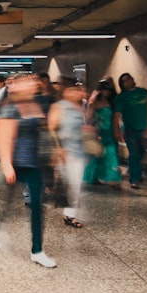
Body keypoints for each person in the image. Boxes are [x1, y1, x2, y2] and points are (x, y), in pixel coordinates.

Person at [0, 75, 57, 268]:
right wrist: (6, 163)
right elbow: (3, 137)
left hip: (34, 164)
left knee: (37, 207)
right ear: (16, 87)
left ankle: (37, 250)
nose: (32, 85)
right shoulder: (10, 108)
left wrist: (54, 150)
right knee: (8, 204)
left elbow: (45, 131)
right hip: (16, 164)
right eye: (27, 82)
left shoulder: (36, 106)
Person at [49, 78, 88, 228]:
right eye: (73, 90)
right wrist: (58, 148)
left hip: (79, 150)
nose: (77, 93)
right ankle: (70, 214)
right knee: (72, 184)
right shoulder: (58, 107)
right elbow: (51, 129)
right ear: (65, 92)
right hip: (65, 151)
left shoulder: (79, 107)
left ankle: (69, 213)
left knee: (75, 184)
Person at [113, 73, 147, 190]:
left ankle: (134, 170)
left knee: (142, 152)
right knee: (134, 154)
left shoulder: (144, 92)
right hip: (130, 130)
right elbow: (117, 115)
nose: (128, 81)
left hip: (145, 129)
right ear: (122, 84)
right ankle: (134, 179)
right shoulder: (121, 97)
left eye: (129, 79)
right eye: (124, 81)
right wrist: (117, 131)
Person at [84, 86, 121, 187]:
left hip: (109, 132)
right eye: (104, 88)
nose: (106, 91)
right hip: (99, 132)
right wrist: (90, 102)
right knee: (97, 156)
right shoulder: (94, 103)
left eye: (108, 89)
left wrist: (117, 132)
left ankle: (113, 179)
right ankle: (93, 177)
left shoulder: (112, 103)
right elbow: (88, 118)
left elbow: (115, 120)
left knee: (111, 154)